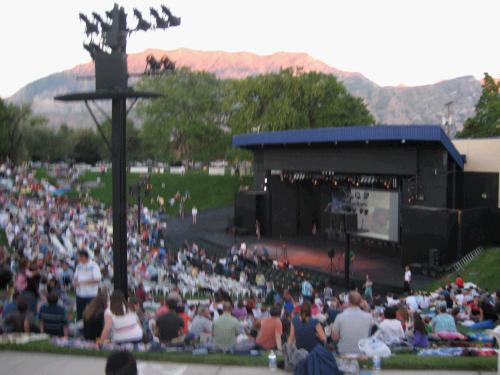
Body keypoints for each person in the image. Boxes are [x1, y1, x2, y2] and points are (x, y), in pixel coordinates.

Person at [73, 250, 101, 321]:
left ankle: (90, 329)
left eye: (79, 257)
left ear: (84, 257)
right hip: (79, 294)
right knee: (80, 313)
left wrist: (82, 282)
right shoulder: (79, 266)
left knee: (91, 314)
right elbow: (76, 276)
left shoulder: (94, 266)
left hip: (90, 294)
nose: (78, 259)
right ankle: (80, 328)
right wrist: (75, 282)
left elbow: (97, 280)